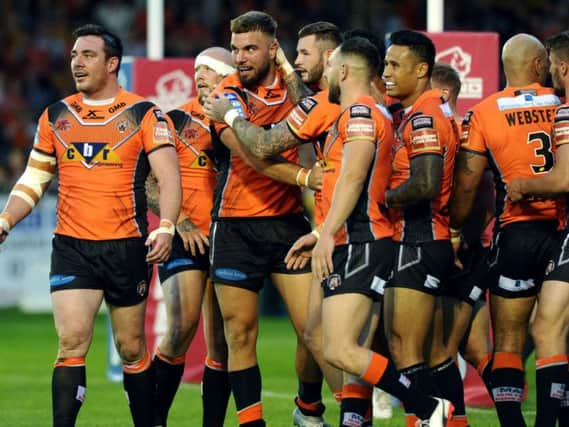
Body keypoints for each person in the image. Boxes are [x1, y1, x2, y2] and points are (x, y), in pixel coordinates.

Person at [0, 24, 181, 427]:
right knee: (70, 343)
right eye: (73, 56)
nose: (77, 63)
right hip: (72, 246)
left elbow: (169, 178)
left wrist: (166, 225)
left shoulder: (144, 114)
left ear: (112, 63)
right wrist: (6, 218)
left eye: (88, 55)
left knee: (132, 348)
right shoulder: (56, 116)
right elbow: (34, 179)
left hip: (126, 246)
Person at [287, 36, 455, 427]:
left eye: (330, 67)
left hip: (362, 243)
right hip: (354, 239)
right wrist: (324, 233)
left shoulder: (360, 113)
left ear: (343, 71)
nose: (325, 73)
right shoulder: (364, 113)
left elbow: (353, 177)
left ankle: (428, 407)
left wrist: (327, 232)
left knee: (344, 349)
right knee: (327, 340)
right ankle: (359, 418)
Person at [202, 11, 326, 427]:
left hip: (288, 224)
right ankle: (251, 423)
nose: (240, 57)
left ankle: (308, 408)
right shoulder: (225, 94)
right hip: (235, 226)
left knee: (314, 330)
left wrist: (289, 69)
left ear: (273, 49)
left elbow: (311, 103)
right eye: (235, 49)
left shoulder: (297, 89)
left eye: (250, 48)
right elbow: (255, 156)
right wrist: (307, 176)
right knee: (239, 335)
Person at [449, 33, 561, 427]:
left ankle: (512, 423)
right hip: (562, 231)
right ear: (536, 66)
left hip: (515, 233)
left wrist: (458, 229)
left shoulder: (483, 112)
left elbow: (469, 184)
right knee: (555, 332)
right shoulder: (562, 103)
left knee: (510, 338)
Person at [145, 47, 235, 427]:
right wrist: (180, 221)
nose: (199, 75)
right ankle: (152, 419)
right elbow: (151, 183)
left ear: (228, 77)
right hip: (186, 235)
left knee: (223, 343)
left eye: (210, 70)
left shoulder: (244, 122)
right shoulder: (177, 119)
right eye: (196, 69)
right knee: (181, 326)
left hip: (229, 235)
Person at [381, 30, 467, 427]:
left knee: (406, 348)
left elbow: (426, 182)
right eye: (385, 63)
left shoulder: (425, 116)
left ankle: (431, 418)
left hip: (418, 238)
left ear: (421, 69)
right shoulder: (431, 111)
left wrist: (381, 197)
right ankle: (454, 421)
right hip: (427, 239)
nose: (387, 73)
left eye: (395, 65)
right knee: (432, 351)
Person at [506, 30, 569, 427]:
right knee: (554, 324)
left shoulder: (566, 111)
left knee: (546, 325)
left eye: (553, 68)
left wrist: (524, 186)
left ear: (562, 67)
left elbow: (565, 178)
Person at [431, 62, 494, 386]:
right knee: (476, 349)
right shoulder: (459, 129)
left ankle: (440, 417)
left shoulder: (459, 132)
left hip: (458, 253)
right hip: (470, 249)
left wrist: (457, 238)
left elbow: (479, 192)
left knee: (440, 349)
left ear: (442, 93)